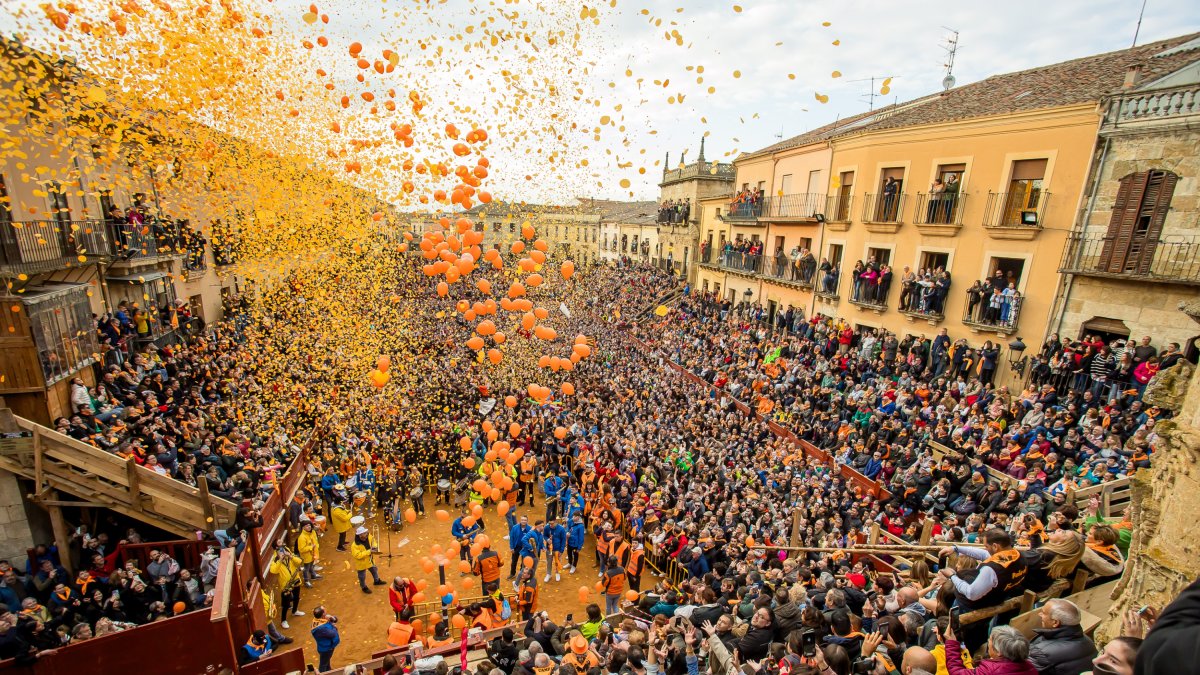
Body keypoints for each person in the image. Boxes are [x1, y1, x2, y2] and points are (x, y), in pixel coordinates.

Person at [938, 530, 1028, 611]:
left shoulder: (991, 569)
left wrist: (952, 576)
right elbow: (984, 554)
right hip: (1000, 598)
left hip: (974, 607)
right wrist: (956, 548)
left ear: (995, 546)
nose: (985, 549)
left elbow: (971, 593)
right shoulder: (1019, 556)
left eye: (986, 546)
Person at [1027, 599, 1096, 675]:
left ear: (1055, 622)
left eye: (1043, 613)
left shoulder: (1041, 653)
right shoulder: (1089, 642)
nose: (1039, 614)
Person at [944, 624, 1036, 675]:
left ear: (999, 652)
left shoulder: (990, 671)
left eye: (990, 640)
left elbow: (957, 673)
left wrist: (951, 643)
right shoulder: (1030, 667)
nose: (988, 641)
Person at [351, 526, 387, 593]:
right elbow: (357, 555)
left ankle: (377, 581)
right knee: (362, 576)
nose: (366, 533)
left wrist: (375, 547)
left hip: (370, 560)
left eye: (366, 532)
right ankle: (363, 587)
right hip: (361, 564)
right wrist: (369, 551)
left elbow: (374, 542)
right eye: (364, 533)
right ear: (360, 535)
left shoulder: (369, 536)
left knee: (374, 570)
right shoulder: (354, 545)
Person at [310, 605, 340, 673]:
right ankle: (321, 673)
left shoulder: (319, 620)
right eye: (324, 610)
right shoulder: (321, 628)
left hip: (325, 646)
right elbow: (333, 634)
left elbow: (335, 620)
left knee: (326, 661)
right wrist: (334, 626)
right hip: (326, 649)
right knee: (323, 665)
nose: (326, 611)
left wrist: (332, 618)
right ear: (323, 614)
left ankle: (328, 671)